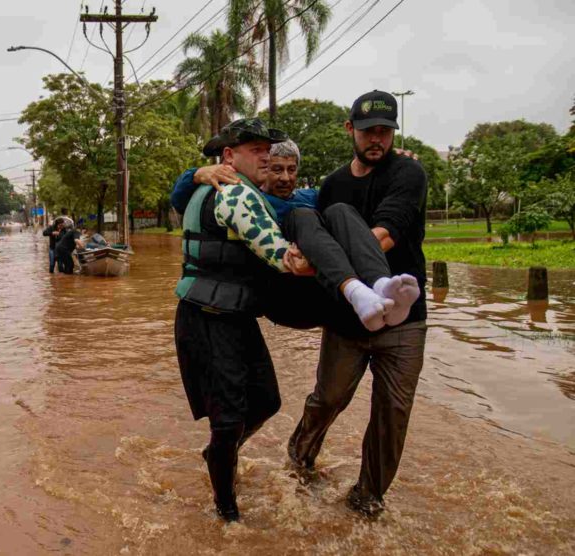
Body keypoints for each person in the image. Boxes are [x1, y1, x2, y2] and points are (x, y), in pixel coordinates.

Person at [287, 90, 429, 518]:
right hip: (346, 320)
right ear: (350, 130)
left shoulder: (409, 173)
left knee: (392, 415)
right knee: (327, 399)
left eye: (385, 132)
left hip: (404, 319)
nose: (377, 141)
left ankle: (367, 499)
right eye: (369, 132)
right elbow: (309, 226)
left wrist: (321, 265)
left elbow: (386, 234)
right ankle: (298, 463)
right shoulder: (333, 185)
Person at [173, 118, 297, 522]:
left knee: (266, 400)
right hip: (208, 317)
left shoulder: (241, 192)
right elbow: (280, 257)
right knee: (228, 421)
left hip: (235, 316)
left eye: (269, 148)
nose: (268, 156)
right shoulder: (233, 195)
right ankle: (227, 515)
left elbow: (298, 202)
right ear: (228, 157)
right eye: (257, 150)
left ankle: (219, 456)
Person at [172, 137, 419, 332]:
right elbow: (184, 202)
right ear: (264, 168)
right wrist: (195, 174)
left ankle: (379, 286)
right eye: (277, 169)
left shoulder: (312, 197)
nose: (285, 178)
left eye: (291, 170)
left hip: (321, 289)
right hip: (284, 290)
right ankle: (357, 291)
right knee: (301, 216)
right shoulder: (250, 199)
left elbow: (358, 193)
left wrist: (394, 165)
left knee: (341, 211)